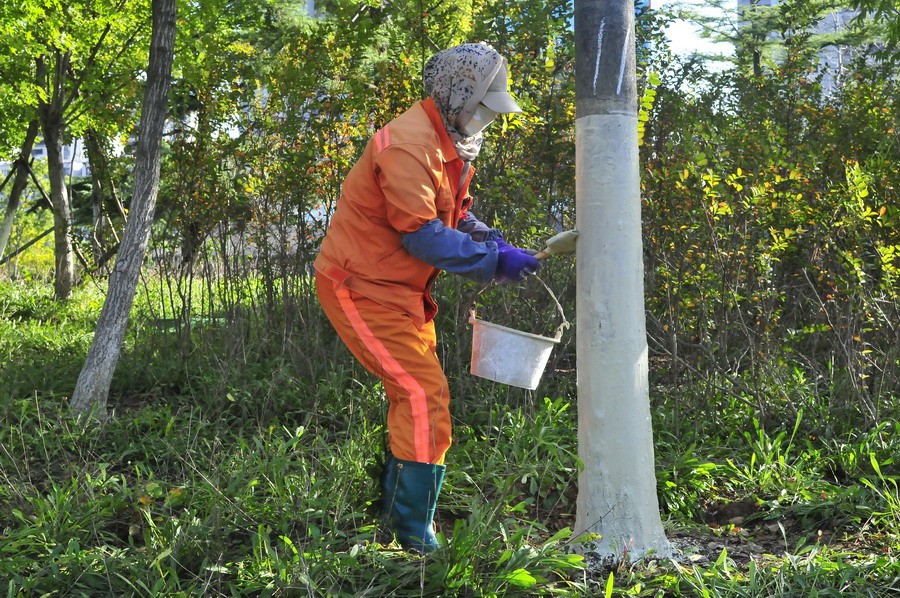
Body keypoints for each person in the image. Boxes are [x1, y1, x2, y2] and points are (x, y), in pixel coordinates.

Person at [313, 42, 541, 553]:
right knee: (421, 395)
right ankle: (413, 536)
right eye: (483, 107)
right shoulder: (409, 146)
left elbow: (451, 213)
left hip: (400, 290)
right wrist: (493, 262)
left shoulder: (447, 141)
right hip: (359, 287)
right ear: (459, 93)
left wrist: (491, 240)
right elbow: (421, 233)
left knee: (420, 395)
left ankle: (400, 515)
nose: (487, 119)